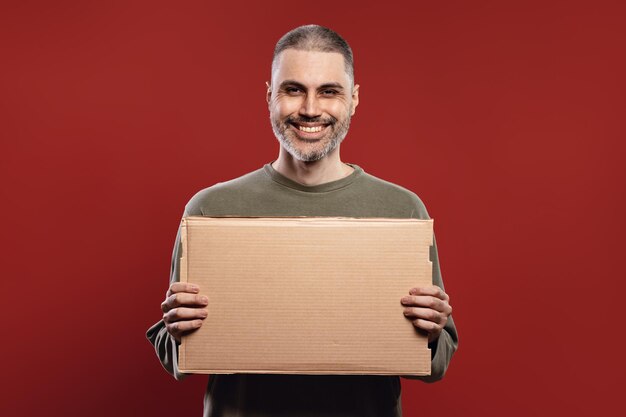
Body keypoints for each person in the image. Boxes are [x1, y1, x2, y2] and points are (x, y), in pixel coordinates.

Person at [147, 24, 458, 417]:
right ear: (269, 96)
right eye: (293, 90)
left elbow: (439, 360)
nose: (310, 109)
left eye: (329, 91)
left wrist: (430, 330)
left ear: (354, 99)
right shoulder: (210, 208)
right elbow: (172, 354)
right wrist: (177, 328)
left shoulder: (401, 210)